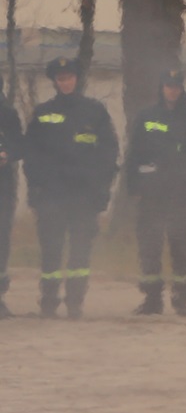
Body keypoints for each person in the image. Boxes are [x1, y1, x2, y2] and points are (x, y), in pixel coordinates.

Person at [23, 57, 117, 318]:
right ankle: (49, 301)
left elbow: (108, 153)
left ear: (77, 79)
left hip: (84, 196)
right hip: (51, 195)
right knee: (51, 250)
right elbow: (31, 154)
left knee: (80, 251)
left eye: (70, 77)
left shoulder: (95, 112)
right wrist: (35, 190)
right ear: (55, 81)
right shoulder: (42, 113)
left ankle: (75, 301)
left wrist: (102, 191)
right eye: (61, 78)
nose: (66, 82)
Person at [124, 68, 186, 316]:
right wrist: (133, 186)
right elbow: (133, 153)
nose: (172, 90)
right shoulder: (146, 116)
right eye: (168, 85)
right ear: (161, 87)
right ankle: (152, 298)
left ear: (182, 88)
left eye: (176, 85)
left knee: (181, 245)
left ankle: (182, 298)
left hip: (179, 193)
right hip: (150, 193)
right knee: (150, 246)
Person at [0, 95, 20, 318]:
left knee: (1, 239)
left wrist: (7, 154)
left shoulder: (7, 113)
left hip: (2, 187)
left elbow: (19, 143)